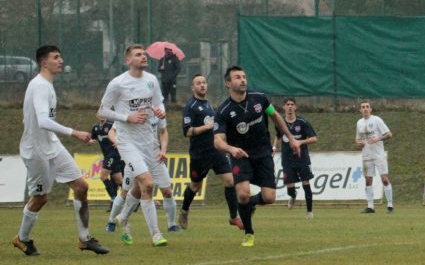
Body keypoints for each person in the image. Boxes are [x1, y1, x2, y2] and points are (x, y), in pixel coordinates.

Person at [12, 45, 109, 256]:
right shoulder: (39, 86)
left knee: (81, 187)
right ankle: (22, 238)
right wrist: (75, 132)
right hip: (36, 151)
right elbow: (43, 120)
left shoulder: (47, 85)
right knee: (40, 198)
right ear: (44, 62)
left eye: (60, 56)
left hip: (52, 145)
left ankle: (85, 239)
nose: (61, 60)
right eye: (56, 57)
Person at [213, 65, 301, 247]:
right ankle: (248, 233)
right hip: (240, 155)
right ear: (228, 83)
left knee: (269, 198)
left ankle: (251, 204)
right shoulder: (223, 111)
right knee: (243, 193)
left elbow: (275, 116)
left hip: (263, 154)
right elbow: (218, 141)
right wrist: (231, 149)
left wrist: (291, 138)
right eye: (237, 77)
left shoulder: (259, 99)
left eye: (244, 76)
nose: (242, 80)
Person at [98, 44, 169, 246]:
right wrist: (126, 117)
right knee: (148, 183)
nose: (144, 57)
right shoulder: (118, 83)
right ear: (128, 60)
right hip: (127, 142)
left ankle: (123, 218)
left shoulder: (151, 80)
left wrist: (160, 111)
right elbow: (103, 111)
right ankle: (156, 234)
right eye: (138, 55)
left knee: (138, 189)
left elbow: (159, 103)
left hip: (148, 141)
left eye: (144, 54)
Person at [179, 73, 243, 230]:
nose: (202, 85)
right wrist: (205, 127)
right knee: (195, 186)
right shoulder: (190, 107)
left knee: (230, 181)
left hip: (216, 151)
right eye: (198, 83)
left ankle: (234, 217)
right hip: (200, 154)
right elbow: (187, 131)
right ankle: (184, 210)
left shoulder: (208, 104)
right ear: (192, 87)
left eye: (204, 82)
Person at [106, 120, 181, 245]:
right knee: (134, 189)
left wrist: (163, 150)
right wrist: (117, 141)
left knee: (162, 190)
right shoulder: (129, 107)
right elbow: (112, 131)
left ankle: (123, 218)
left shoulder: (156, 108)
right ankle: (113, 221)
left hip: (155, 156)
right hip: (135, 156)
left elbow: (163, 131)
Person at [273, 97, 317, 218]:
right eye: (288, 104)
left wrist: (300, 142)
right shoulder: (280, 123)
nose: (290, 106)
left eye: (292, 104)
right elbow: (277, 136)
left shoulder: (302, 122)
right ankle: (293, 196)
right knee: (290, 186)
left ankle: (309, 212)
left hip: (302, 158)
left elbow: (314, 138)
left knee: (306, 182)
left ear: (295, 107)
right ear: (284, 107)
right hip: (287, 159)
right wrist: (274, 148)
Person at [355, 100, 394, 214]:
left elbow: (389, 134)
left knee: (384, 180)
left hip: (379, 155)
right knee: (368, 180)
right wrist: (358, 143)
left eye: (367, 107)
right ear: (360, 110)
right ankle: (370, 206)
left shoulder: (377, 120)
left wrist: (378, 138)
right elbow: (357, 139)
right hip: (366, 156)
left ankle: (390, 205)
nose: (365, 109)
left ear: (371, 109)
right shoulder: (359, 123)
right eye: (363, 107)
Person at [89, 113, 123, 213]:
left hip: (114, 155)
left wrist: (119, 142)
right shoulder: (96, 128)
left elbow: (123, 134)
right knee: (119, 181)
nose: (102, 115)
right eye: (100, 114)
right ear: (97, 116)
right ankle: (135, 198)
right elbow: (92, 138)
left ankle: (114, 200)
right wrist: (90, 141)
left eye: (104, 113)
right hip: (107, 156)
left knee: (103, 177)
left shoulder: (112, 126)